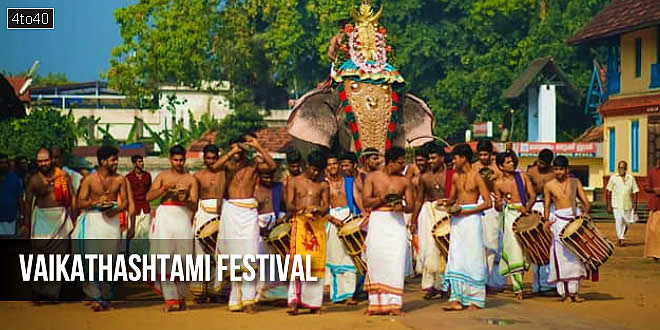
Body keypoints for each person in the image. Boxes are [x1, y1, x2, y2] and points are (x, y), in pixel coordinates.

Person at [211, 134, 277, 313]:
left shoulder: (253, 165)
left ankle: (248, 300)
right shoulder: (227, 165)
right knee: (234, 257)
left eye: (240, 148)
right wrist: (231, 151)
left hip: (248, 212)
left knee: (250, 255)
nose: (238, 151)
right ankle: (235, 299)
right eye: (234, 147)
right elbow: (214, 166)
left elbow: (272, 166)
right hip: (231, 211)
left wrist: (257, 146)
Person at [74, 146, 128, 311]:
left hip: (111, 222)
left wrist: (116, 210)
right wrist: (95, 203)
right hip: (93, 220)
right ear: (103, 161)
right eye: (113, 159)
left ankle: (105, 295)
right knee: (92, 260)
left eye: (116, 159)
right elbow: (80, 202)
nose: (116, 162)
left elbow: (125, 202)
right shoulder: (90, 180)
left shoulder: (120, 180)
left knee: (109, 260)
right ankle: (95, 297)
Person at [145, 145, 198, 312]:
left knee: (183, 258)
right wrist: (164, 189)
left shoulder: (190, 179)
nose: (178, 163)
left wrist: (184, 198)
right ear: (170, 159)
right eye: (175, 160)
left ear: (185, 159)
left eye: (181, 160)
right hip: (165, 217)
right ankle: (169, 299)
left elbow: (195, 204)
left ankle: (181, 298)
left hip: (182, 217)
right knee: (165, 256)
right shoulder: (163, 176)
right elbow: (148, 197)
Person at [361, 147, 413, 316]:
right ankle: (375, 304)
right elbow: (366, 202)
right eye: (400, 162)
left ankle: (395, 304)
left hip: (396, 223)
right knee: (376, 260)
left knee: (396, 261)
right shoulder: (372, 177)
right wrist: (383, 198)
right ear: (391, 162)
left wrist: (402, 207)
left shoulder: (404, 181)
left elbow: (411, 205)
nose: (403, 165)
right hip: (378, 221)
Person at [442, 143, 491, 311]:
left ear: (463, 158)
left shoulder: (477, 176)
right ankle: (456, 298)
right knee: (456, 257)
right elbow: (452, 198)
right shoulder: (455, 176)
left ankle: (475, 300)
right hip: (457, 220)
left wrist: (467, 212)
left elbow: (488, 202)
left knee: (473, 257)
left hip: (472, 219)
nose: (453, 161)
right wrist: (446, 204)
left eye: (455, 157)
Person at [23, 148, 75, 304]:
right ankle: (37, 291)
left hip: (61, 219)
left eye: (45, 160)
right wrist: (26, 225)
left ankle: (52, 294)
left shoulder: (63, 176)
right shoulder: (34, 180)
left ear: (52, 160)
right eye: (39, 161)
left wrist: (75, 219)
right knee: (40, 259)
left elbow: (72, 199)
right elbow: (27, 203)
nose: (43, 164)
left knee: (59, 259)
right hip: (42, 221)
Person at [286, 150, 330, 315]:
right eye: (313, 169)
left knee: (316, 264)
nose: (316, 173)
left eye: (319, 170)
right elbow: (289, 204)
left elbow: (326, 207)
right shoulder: (294, 182)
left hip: (317, 226)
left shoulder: (323, 184)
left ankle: (314, 304)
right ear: (307, 166)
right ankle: (294, 302)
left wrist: (318, 209)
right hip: (301, 224)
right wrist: (300, 209)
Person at [543, 156, 591, 303]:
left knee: (576, 257)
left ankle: (575, 292)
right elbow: (546, 206)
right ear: (553, 170)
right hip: (558, 222)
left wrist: (585, 213)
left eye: (561, 169)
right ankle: (564, 294)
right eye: (556, 169)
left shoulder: (575, 183)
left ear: (567, 169)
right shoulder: (549, 185)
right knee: (561, 258)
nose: (559, 172)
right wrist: (546, 221)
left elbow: (586, 203)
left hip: (574, 221)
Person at [493, 151, 535, 300]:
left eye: (512, 161)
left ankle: (522, 283)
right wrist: (498, 204)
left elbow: (532, 196)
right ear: (500, 166)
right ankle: (518, 288)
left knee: (525, 251)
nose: (512, 164)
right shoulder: (497, 183)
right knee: (514, 250)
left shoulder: (522, 176)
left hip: (525, 214)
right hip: (509, 216)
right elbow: (498, 206)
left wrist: (527, 209)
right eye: (508, 162)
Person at [412, 143, 450, 300]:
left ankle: (446, 285)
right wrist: (413, 220)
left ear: (442, 157)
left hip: (447, 214)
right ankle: (431, 286)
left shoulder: (451, 175)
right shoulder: (424, 177)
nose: (431, 161)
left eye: (434, 158)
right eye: (429, 158)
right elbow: (419, 200)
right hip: (428, 214)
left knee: (446, 249)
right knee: (429, 249)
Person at [190, 144, 225, 302]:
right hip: (203, 213)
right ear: (204, 158)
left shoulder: (224, 174)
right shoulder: (197, 176)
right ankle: (200, 291)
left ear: (218, 158)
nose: (211, 161)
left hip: (221, 214)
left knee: (219, 255)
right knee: (201, 255)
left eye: (214, 158)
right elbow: (194, 199)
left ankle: (216, 290)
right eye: (208, 158)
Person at [324, 153, 360, 305]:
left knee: (350, 257)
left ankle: (350, 294)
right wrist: (333, 219)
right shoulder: (325, 184)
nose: (333, 167)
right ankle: (337, 294)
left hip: (349, 218)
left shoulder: (349, 182)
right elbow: (323, 207)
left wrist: (362, 216)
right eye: (329, 164)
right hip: (332, 221)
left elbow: (357, 199)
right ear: (326, 168)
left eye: (335, 163)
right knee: (335, 258)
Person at [472, 139, 506, 293]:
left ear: (491, 154)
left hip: (493, 205)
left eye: (486, 155)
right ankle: (477, 278)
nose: (483, 157)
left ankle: (488, 279)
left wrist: (492, 182)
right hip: (477, 203)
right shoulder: (474, 167)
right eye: (481, 155)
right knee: (477, 242)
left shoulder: (497, 168)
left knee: (492, 243)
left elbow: (501, 189)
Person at [526, 148, 557, 294]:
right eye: (539, 162)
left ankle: (550, 282)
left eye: (543, 163)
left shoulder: (554, 173)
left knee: (551, 243)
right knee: (537, 243)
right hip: (536, 205)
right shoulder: (531, 172)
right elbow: (525, 190)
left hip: (552, 207)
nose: (540, 165)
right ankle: (537, 284)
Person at [254, 168, 287, 302]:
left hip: (276, 225)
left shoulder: (279, 189)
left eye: (270, 177)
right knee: (260, 260)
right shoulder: (254, 191)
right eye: (265, 177)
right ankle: (259, 292)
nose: (268, 180)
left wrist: (280, 222)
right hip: (259, 227)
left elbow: (285, 207)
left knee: (278, 261)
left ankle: (275, 293)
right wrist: (260, 228)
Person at [606, 161, 639, 247]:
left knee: (626, 223)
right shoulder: (613, 178)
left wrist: (635, 206)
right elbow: (608, 191)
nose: (621, 170)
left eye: (623, 168)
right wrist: (608, 205)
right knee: (619, 220)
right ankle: (621, 238)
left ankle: (620, 237)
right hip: (616, 205)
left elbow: (635, 192)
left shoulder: (631, 178)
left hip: (628, 204)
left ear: (626, 169)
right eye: (619, 168)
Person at [125, 155, 152, 244]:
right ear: (134, 164)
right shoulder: (128, 177)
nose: (142, 163)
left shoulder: (147, 176)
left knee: (145, 232)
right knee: (133, 231)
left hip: (145, 206)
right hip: (134, 207)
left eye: (142, 161)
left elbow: (149, 190)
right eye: (139, 161)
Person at [355, 148, 381, 215]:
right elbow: (358, 197)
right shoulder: (359, 177)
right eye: (374, 159)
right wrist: (364, 213)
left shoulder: (381, 174)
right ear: (366, 160)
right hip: (367, 214)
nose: (377, 161)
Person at [1, 154, 22, 236]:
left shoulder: (14, 178)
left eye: (5, 163)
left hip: (11, 221)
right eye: (1, 163)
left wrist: (22, 216)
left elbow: (20, 199)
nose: (3, 165)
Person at [645, 156, 660, 261]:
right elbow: (646, 187)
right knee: (653, 230)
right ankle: (655, 253)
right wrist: (654, 190)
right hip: (655, 205)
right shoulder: (652, 172)